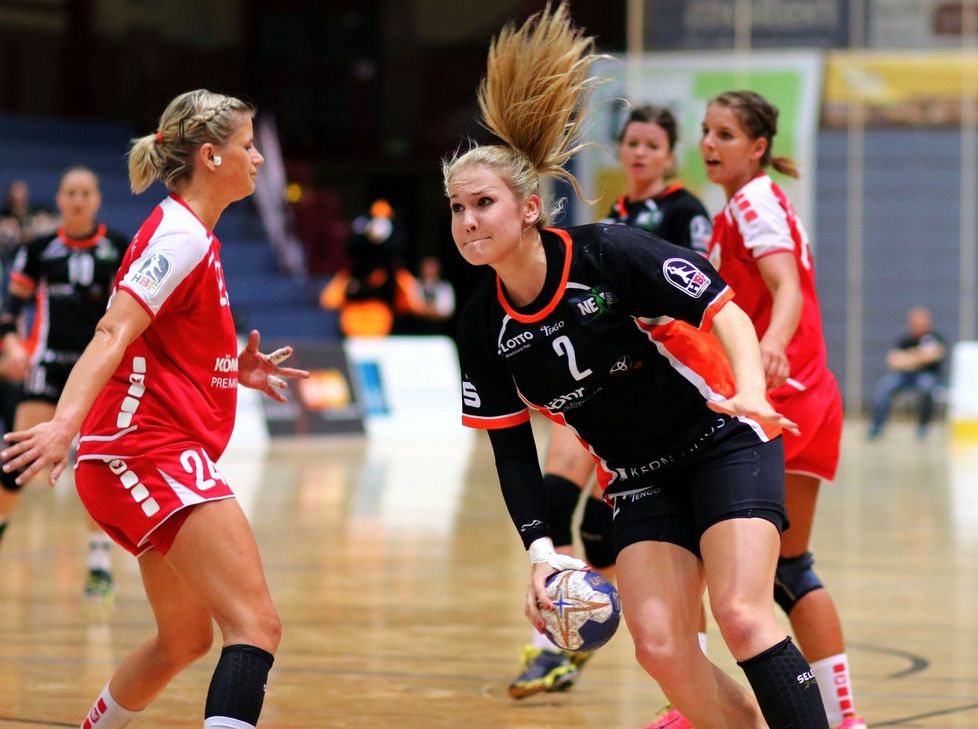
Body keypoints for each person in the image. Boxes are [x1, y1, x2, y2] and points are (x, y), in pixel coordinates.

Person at [448, 5, 829, 727]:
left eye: (483, 204)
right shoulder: (480, 325)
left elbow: (724, 308)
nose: (468, 221)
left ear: (528, 209)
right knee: (660, 648)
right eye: (457, 208)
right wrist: (542, 551)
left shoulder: (607, 252)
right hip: (637, 477)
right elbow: (511, 449)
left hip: (722, 442)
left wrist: (751, 389)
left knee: (742, 615)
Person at [1, 89, 308, 729]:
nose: (257, 157)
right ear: (210, 157)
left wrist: (230, 368)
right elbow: (113, 330)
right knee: (255, 624)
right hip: (143, 452)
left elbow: (158, 341)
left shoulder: (193, 235)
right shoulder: (180, 236)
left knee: (184, 640)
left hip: (144, 452)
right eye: (247, 145)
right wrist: (62, 424)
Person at [508, 104, 716, 698]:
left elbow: (696, 291)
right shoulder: (615, 217)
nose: (640, 153)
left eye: (652, 144)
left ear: (670, 156)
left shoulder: (684, 211)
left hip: (649, 385)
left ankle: (681, 677)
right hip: (591, 381)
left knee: (607, 530)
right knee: (553, 502)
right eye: (633, 143)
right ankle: (556, 642)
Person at [694, 89, 866, 729]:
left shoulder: (752, 202)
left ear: (758, 146)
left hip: (775, 404)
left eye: (725, 134)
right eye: (706, 131)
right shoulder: (752, 203)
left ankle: (696, 707)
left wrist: (769, 345)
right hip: (813, 398)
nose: (708, 144)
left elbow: (785, 285)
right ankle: (844, 718)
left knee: (700, 562)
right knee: (790, 568)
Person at [0, 166, 129, 597]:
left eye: (85, 193)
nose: (77, 200)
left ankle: (99, 567)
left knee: (94, 466)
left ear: (97, 200)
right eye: (70, 193)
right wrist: (14, 346)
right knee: (17, 462)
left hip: (97, 372)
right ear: (58, 199)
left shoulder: (117, 248)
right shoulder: (39, 249)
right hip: (48, 367)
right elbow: (9, 311)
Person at [319, 198, 421, 336]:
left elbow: (415, 304)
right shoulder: (351, 274)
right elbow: (327, 300)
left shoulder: (395, 273)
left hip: (382, 319)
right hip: (354, 320)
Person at [868, 306, 945, 439]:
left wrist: (908, 358)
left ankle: (923, 427)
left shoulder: (934, 338)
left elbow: (933, 355)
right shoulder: (904, 340)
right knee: (884, 387)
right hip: (904, 376)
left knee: (927, 387)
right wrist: (919, 356)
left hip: (927, 376)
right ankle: (877, 426)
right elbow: (892, 361)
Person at [411, 255, 455, 335]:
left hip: (439, 330)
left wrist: (424, 309)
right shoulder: (414, 284)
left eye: (433, 267)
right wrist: (434, 310)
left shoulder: (445, 287)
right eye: (427, 266)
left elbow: (447, 312)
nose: (430, 270)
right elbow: (413, 309)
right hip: (416, 330)